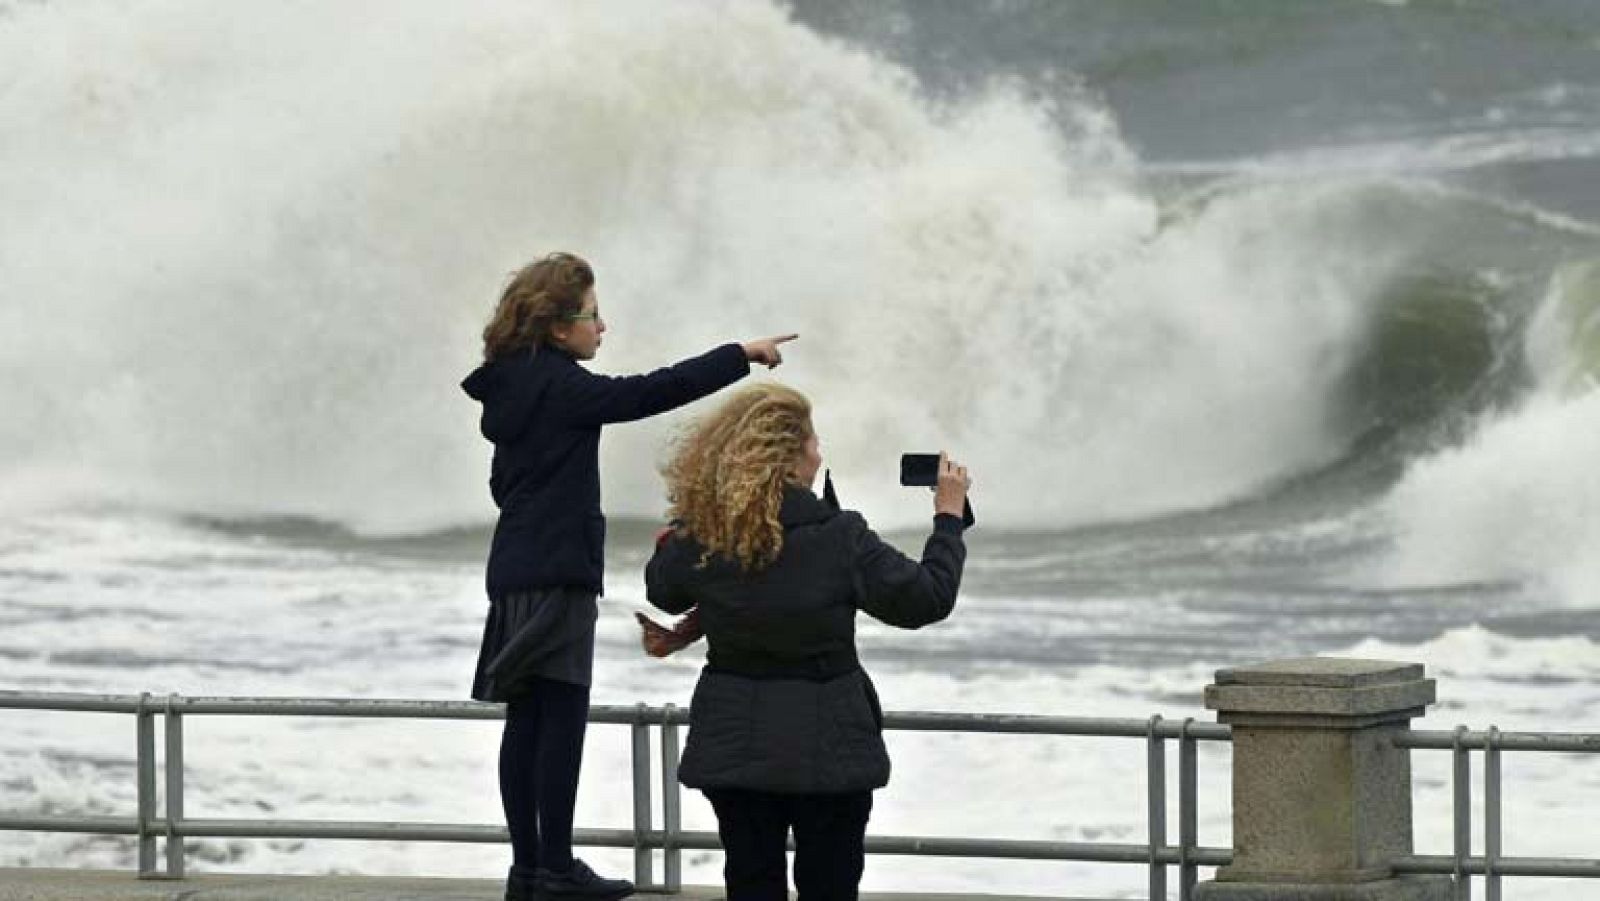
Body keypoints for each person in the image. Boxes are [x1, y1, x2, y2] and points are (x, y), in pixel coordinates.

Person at [461, 251, 796, 901]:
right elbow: (647, 391)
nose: (602, 327)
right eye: (592, 315)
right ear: (559, 327)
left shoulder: (512, 385)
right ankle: (555, 867)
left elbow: (504, 484)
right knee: (559, 718)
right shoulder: (561, 385)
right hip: (558, 572)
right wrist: (740, 354)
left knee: (525, 720)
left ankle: (528, 867)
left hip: (515, 569)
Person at [643, 383, 971, 901]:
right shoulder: (839, 536)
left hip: (733, 744)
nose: (820, 452)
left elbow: (663, 588)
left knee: (751, 883)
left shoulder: (706, 533)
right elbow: (926, 599)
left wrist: (692, 513)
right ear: (790, 461)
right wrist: (949, 520)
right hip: (831, 749)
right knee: (830, 886)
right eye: (812, 441)